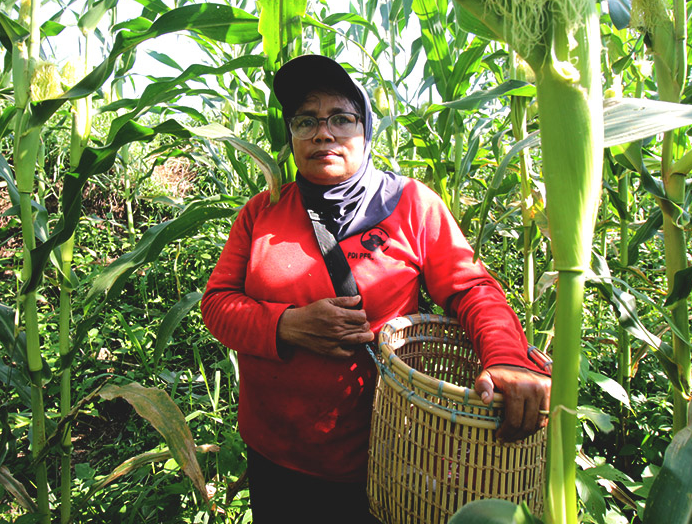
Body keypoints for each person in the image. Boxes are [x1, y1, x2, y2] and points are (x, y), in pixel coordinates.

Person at [201, 54, 551, 523]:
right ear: (291, 138)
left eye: (341, 119)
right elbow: (218, 305)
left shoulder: (411, 204)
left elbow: (472, 289)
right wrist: (287, 325)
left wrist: (507, 357)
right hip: (274, 452)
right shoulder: (261, 211)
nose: (323, 133)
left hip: (380, 454)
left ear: (365, 130)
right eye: (306, 121)